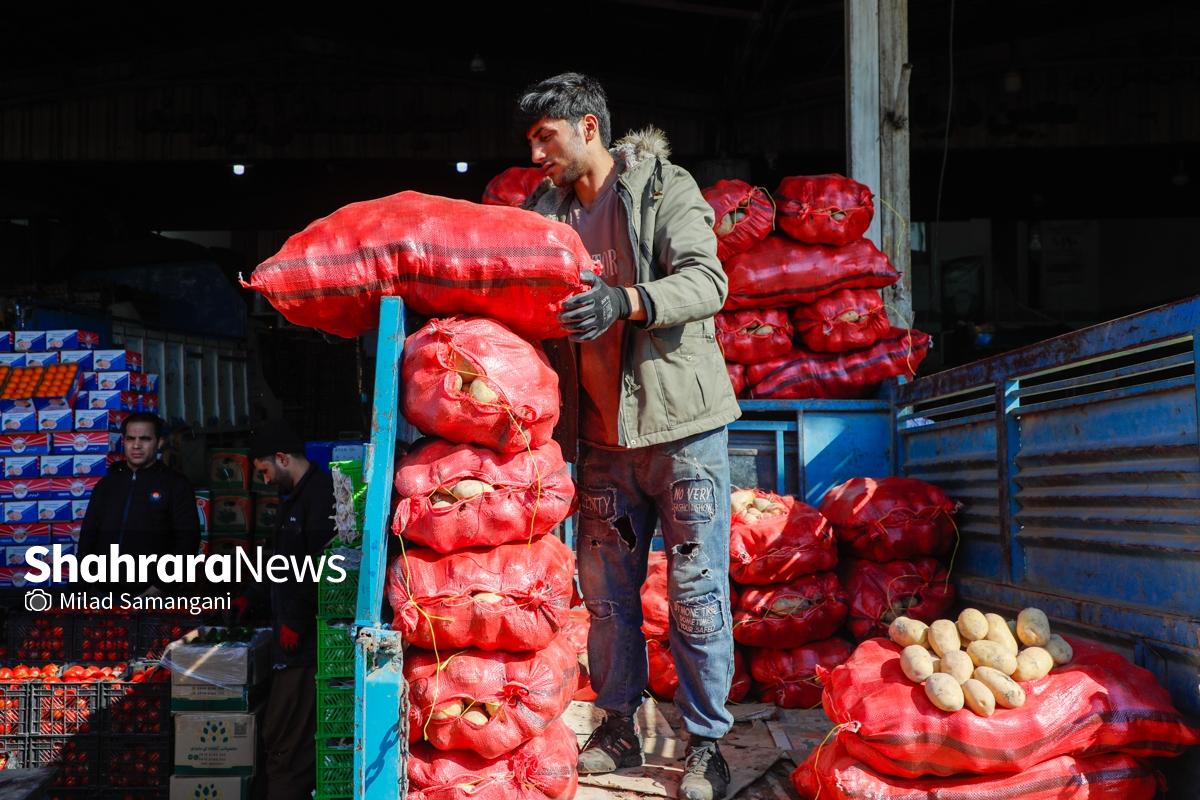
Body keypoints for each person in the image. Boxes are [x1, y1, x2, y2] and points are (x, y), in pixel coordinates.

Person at [518, 72, 741, 800]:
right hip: (602, 446)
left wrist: (628, 301)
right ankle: (618, 725)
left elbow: (709, 282)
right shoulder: (544, 214)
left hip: (681, 436)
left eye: (545, 137)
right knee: (607, 599)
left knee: (696, 593)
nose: (536, 154)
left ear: (588, 127)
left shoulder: (661, 188)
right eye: (530, 142)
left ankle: (707, 746)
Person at [242, 419, 335, 800]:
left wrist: (294, 621)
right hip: (290, 635)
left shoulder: (321, 497)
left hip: (305, 642)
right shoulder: (293, 500)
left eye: (264, 469)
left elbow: (319, 569)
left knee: (283, 735)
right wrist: (252, 595)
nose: (263, 479)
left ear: (281, 458)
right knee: (281, 732)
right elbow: (280, 564)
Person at [78, 412, 200, 597]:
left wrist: (161, 586)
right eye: (130, 439)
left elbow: (187, 542)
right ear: (123, 441)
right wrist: (84, 584)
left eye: (145, 439)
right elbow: (88, 536)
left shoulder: (176, 485)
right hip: (102, 593)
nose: (136, 445)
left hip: (153, 594)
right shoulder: (107, 485)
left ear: (159, 442)